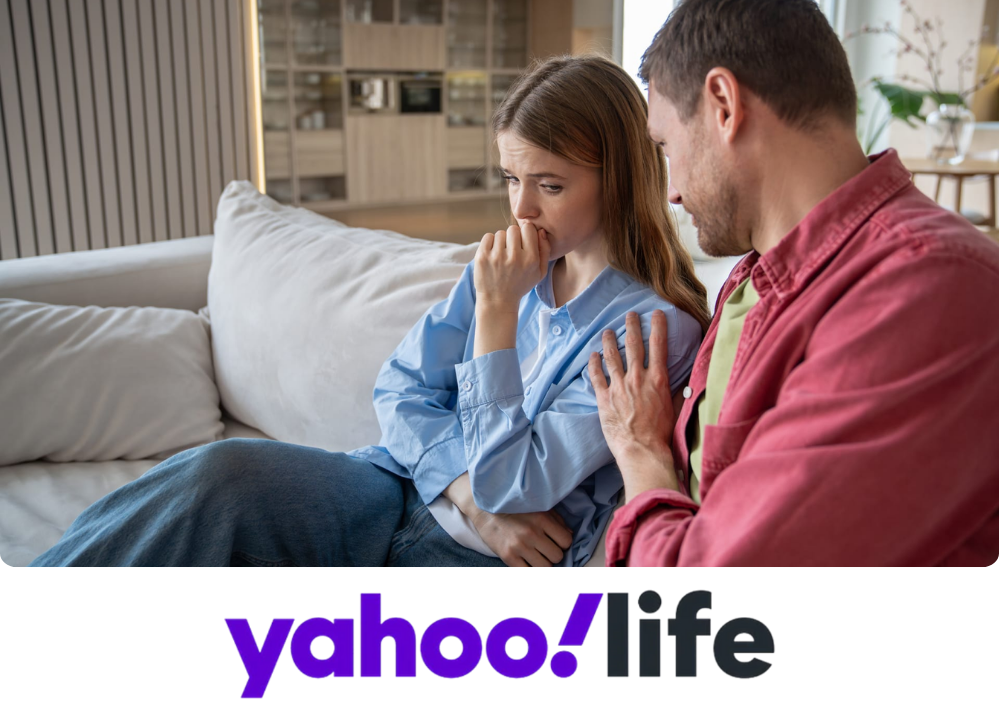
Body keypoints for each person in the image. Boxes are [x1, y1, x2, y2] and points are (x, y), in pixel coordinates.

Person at [31, 55, 710, 568]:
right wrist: (462, 490)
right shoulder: (502, 267)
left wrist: (497, 320)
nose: (521, 209)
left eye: (550, 185)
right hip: (393, 488)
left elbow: (514, 484)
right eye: (511, 179)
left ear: (618, 177)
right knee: (218, 477)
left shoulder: (648, 327)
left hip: (476, 565)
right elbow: (401, 387)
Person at [589, 0, 999, 566]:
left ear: (724, 106)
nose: (673, 190)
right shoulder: (758, 273)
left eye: (665, 146)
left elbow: (712, 599)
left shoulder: (928, 290)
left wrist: (640, 455)